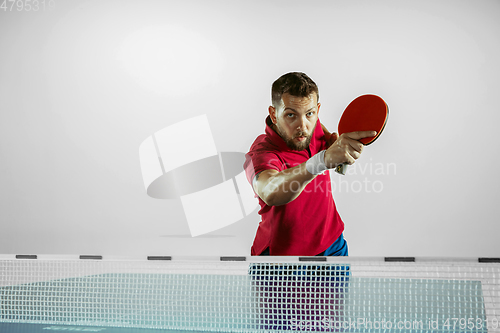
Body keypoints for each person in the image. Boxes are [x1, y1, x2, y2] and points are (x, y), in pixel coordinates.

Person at [243, 72, 376, 256]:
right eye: (291, 115)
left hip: (332, 245)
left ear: (317, 110)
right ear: (274, 114)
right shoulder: (262, 153)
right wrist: (321, 161)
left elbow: (326, 139)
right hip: (282, 259)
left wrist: (337, 150)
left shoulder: (310, 127)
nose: (303, 126)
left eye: (310, 114)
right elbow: (270, 191)